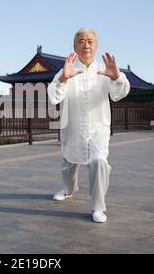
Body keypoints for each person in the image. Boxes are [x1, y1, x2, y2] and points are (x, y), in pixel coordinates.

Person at [47, 28, 130, 223]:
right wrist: (63, 78)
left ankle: (98, 207)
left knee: (99, 161)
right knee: (69, 162)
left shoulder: (105, 70)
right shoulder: (65, 69)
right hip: (73, 128)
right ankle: (68, 189)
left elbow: (119, 94)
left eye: (90, 41)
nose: (86, 45)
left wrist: (117, 77)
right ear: (74, 46)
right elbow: (53, 96)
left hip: (98, 128)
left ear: (96, 46)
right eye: (81, 41)